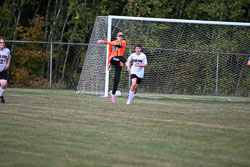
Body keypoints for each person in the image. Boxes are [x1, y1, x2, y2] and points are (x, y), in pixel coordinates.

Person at [97, 32, 126, 104]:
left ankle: (113, 94)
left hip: (119, 62)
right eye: (119, 36)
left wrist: (104, 41)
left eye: (122, 36)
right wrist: (108, 63)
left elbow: (116, 44)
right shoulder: (112, 43)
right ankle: (127, 63)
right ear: (116, 37)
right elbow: (110, 53)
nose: (121, 37)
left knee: (117, 79)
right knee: (116, 58)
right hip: (113, 60)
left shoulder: (123, 42)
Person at [0, 37, 11, 104]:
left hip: (2, 70)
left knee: (4, 84)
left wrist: (8, 64)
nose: (2, 44)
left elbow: (9, 57)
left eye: (3, 42)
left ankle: (1, 96)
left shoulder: (7, 50)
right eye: (1, 42)